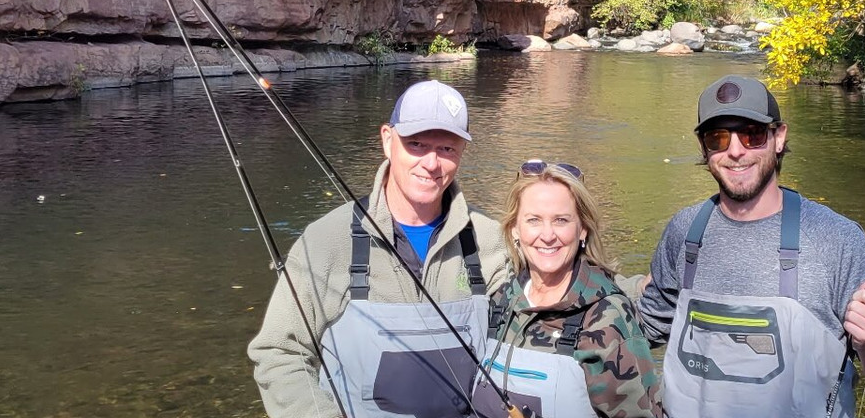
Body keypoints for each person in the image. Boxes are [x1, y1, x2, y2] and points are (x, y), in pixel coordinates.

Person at [638, 75, 865, 418]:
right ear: (704, 148)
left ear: (778, 137)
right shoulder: (684, 231)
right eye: (718, 138)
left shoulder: (836, 238)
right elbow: (641, 330)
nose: (735, 150)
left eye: (751, 134)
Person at [248, 79, 511, 418]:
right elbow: (279, 353)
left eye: (447, 149)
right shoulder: (327, 241)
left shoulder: (490, 239)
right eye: (416, 144)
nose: (431, 163)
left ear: (462, 151)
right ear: (387, 140)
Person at [472, 160, 662, 418]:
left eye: (561, 220)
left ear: (582, 229)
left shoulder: (608, 316)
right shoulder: (500, 299)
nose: (548, 235)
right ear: (515, 229)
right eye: (534, 220)